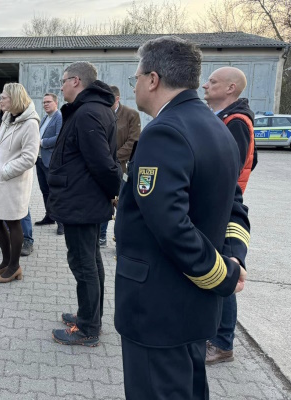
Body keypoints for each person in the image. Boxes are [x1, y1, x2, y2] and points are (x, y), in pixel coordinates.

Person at [114, 36, 250, 399]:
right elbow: (234, 204)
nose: (137, 85)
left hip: (158, 309)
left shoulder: (165, 131)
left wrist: (223, 274)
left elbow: (170, 226)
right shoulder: (215, 126)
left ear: (153, 79)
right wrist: (234, 254)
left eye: (137, 77)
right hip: (193, 309)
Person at [48, 62, 122, 346]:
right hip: (84, 200)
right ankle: (90, 316)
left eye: (63, 80)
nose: (62, 85)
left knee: (84, 264)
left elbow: (103, 164)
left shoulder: (88, 113)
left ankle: (88, 328)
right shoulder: (91, 109)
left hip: (82, 202)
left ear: (76, 81)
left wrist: (113, 191)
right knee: (91, 261)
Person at [203, 66, 258, 365]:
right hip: (220, 204)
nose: (205, 85)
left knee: (226, 271)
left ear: (231, 88)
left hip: (224, 207)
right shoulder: (224, 118)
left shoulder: (236, 121)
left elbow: (229, 167)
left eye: (212, 82)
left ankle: (223, 343)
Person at [0, 83, 40, 283]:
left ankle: (14, 267)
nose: (0, 100)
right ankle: (5, 262)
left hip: (13, 181)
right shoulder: (8, 119)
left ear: (15, 98)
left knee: (13, 221)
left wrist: (5, 171)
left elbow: (30, 157)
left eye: (4, 97)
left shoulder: (30, 123)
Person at [99, 85, 141, 246]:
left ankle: (122, 239)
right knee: (104, 202)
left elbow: (133, 142)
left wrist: (112, 158)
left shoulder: (131, 115)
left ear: (117, 99)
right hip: (104, 168)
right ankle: (101, 236)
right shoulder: (101, 114)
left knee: (122, 205)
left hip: (122, 168)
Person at [34, 93, 64, 235]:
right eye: (44, 102)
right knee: (45, 190)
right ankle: (49, 216)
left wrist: (43, 142)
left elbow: (60, 137)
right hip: (39, 160)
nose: (45, 104)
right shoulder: (45, 118)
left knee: (54, 192)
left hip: (51, 161)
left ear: (56, 103)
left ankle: (61, 222)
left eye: (48, 102)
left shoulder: (59, 117)